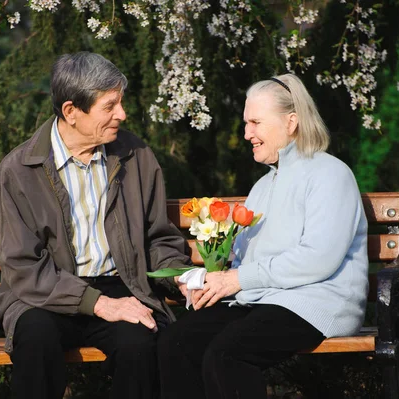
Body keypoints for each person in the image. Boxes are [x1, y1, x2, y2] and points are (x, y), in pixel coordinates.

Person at [0, 51, 191, 399]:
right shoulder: (17, 172)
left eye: (121, 103)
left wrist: (182, 278)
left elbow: (158, 238)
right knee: (35, 339)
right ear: (71, 111)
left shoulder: (136, 155)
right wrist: (98, 304)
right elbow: (24, 268)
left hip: (119, 285)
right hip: (42, 296)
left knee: (141, 345)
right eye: (109, 106)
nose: (122, 115)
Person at [158, 74, 369, 399]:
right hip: (264, 301)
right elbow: (246, 265)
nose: (247, 134)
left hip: (317, 302)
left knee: (228, 355)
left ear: (291, 122)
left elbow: (318, 259)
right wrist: (209, 281)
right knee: (175, 342)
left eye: (255, 122)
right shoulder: (261, 187)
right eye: (246, 123)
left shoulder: (330, 174)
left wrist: (237, 279)